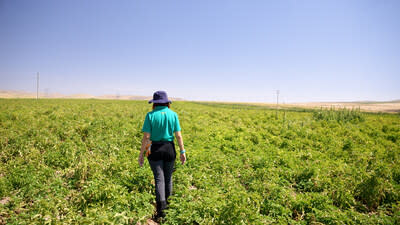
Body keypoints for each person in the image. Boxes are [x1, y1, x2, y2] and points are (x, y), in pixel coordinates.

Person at [138, 90, 186, 219]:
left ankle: (161, 212)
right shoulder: (173, 114)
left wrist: (141, 154)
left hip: (155, 149)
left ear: (154, 103)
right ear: (166, 102)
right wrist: (182, 151)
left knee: (159, 179)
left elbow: (146, 137)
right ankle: (169, 209)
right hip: (169, 149)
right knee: (168, 178)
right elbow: (179, 136)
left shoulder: (150, 115)